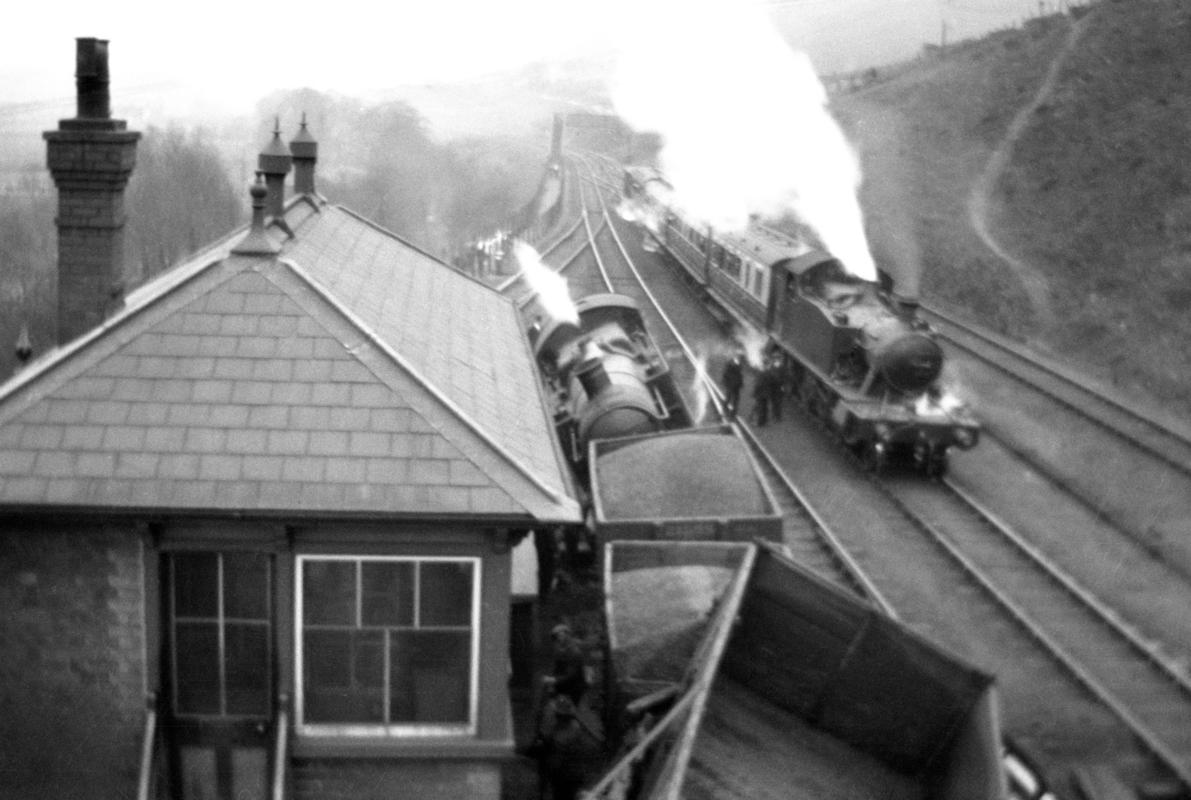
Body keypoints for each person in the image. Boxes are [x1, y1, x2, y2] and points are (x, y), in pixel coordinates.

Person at [544, 623, 588, 706]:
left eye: (561, 636)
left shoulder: (574, 652)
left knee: (568, 712)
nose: (559, 640)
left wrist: (553, 680)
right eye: (557, 638)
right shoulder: (560, 651)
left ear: (567, 637)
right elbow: (556, 668)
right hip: (562, 688)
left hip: (572, 689)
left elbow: (571, 675)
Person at [720, 350, 744, 418]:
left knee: (735, 400)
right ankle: (725, 411)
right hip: (731, 385)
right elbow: (726, 375)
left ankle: (733, 414)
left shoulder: (738, 364)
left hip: (736, 385)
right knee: (729, 398)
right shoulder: (730, 365)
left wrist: (740, 383)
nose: (739, 358)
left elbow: (739, 375)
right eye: (738, 357)